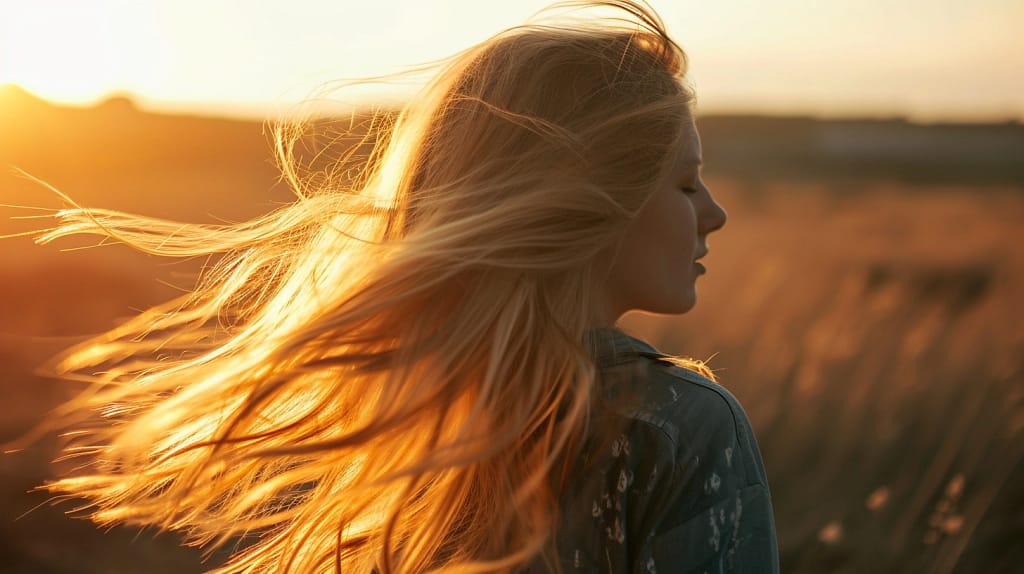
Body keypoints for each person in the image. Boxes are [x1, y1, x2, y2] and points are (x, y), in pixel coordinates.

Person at [35, 1, 778, 571]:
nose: (714, 213)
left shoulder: (421, 422)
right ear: (583, 199)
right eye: (684, 183)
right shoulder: (682, 426)